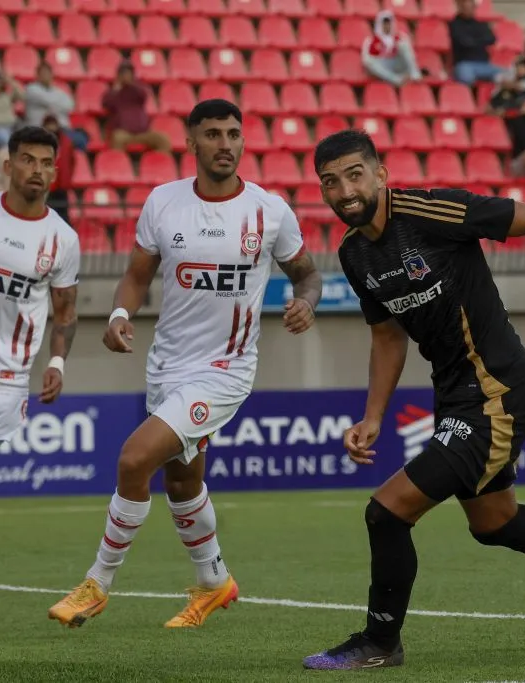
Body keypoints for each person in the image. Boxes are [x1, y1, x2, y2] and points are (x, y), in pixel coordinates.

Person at [302, 129, 525, 670]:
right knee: (495, 522)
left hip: (498, 390)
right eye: (330, 182)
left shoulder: (434, 212)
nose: (344, 190)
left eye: (355, 174)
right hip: (457, 397)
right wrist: (373, 415)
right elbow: (386, 335)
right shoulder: (354, 253)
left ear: (380, 174)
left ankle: (380, 642)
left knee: (387, 512)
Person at [48, 100, 323, 629]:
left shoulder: (269, 211)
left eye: (234, 134)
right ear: (191, 143)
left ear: (244, 142)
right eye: (213, 134)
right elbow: (136, 274)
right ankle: (215, 582)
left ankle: (97, 584)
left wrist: (306, 301)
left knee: (133, 460)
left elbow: (306, 273)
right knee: (182, 483)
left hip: (225, 371)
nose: (226, 143)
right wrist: (121, 312)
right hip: (167, 366)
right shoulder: (162, 202)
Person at [0, 126, 80, 444]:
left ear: (54, 172)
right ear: (8, 166)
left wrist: (57, 363)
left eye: (46, 163)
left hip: (8, 379)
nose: (37, 170)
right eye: (28, 160)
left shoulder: (63, 240)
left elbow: (65, 313)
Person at [102, 62, 172, 153]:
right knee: (117, 138)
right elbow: (106, 103)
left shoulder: (137, 89)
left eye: (128, 73)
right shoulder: (114, 92)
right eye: (123, 73)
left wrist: (131, 84)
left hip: (143, 132)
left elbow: (143, 95)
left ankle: (159, 166)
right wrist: (116, 88)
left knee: (163, 139)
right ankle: (120, 165)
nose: (126, 76)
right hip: (124, 133)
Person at [362, 10, 423, 87]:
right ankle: (395, 79)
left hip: (396, 64)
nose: (387, 26)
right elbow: (366, 60)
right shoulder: (370, 41)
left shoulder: (400, 38)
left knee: (403, 44)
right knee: (368, 61)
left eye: (388, 23)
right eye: (384, 23)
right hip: (382, 67)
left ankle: (415, 74)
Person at [448, 0, 501, 85]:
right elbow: (464, 42)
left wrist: (474, 41)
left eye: (471, 6)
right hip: (464, 64)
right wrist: (481, 40)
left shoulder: (481, 24)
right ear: (460, 7)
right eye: (465, 6)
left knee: (507, 74)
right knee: (465, 75)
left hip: (484, 65)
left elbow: (492, 39)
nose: (468, 9)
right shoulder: (454, 24)